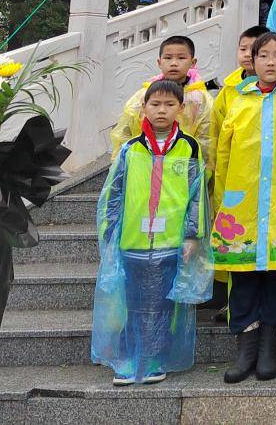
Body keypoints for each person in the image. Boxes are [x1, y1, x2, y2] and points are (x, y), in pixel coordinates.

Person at [212, 32, 276, 383]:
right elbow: (222, 156)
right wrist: (222, 201)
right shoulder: (237, 103)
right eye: (263, 55)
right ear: (252, 60)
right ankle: (246, 349)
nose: (270, 62)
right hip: (241, 207)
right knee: (243, 278)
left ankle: (269, 346)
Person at [91, 80, 210, 386]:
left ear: (180, 109)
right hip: (133, 241)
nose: (161, 110)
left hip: (171, 242)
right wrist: (110, 233)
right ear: (143, 108)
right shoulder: (131, 149)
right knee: (132, 304)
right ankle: (130, 357)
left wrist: (192, 235)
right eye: (155, 104)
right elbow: (114, 194)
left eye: (169, 105)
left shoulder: (189, 147)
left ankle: (155, 358)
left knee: (163, 305)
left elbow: (197, 196)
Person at [109, 36, 212, 167]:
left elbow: (207, 139)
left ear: (193, 62)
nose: (174, 63)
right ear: (159, 62)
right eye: (168, 58)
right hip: (143, 163)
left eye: (181, 58)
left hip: (181, 167)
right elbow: (124, 132)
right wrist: (120, 165)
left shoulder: (199, 99)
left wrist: (203, 170)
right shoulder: (144, 95)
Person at [211, 27, 267, 149]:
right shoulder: (229, 89)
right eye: (243, 49)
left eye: (254, 49)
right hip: (236, 153)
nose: (247, 54)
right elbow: (216, 127)